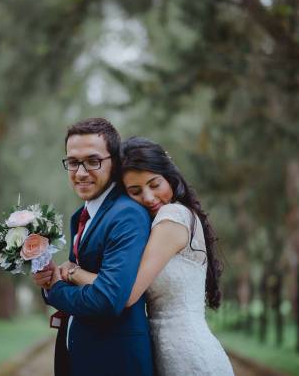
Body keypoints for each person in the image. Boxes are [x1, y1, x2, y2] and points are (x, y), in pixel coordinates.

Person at [61, 136, 235, 376]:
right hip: (165, 352)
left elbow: (126, 293)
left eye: (155, 184)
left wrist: (73, 272)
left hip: (187, 358)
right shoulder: (160, 222)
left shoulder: (172, 217)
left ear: (170, 177)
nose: (149, 197)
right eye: (135, 191)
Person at [32, 119, 154, 376]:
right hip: (77, 359)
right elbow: (77, 283)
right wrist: (49, 279)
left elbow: (108, 300)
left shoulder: (127, 215)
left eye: (93, 161)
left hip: (115, 363)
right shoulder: (81, 215)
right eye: (73, 162)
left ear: (115, 163)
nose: (81, 172)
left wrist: (55, 288)